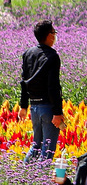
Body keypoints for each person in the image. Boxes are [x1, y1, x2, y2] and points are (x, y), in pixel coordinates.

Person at [20, 21, 64, 162]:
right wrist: (57, 112)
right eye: (54, 32)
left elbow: (23, 82)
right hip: (48, 108)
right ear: (49, 36)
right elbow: (53, 86)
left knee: (36, 145)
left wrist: (23, 106)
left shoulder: (28, 53)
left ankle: (25, 173)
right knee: (48, 149)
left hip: (34, 107)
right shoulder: (52, 56)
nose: (55, 35)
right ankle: (41, 179)